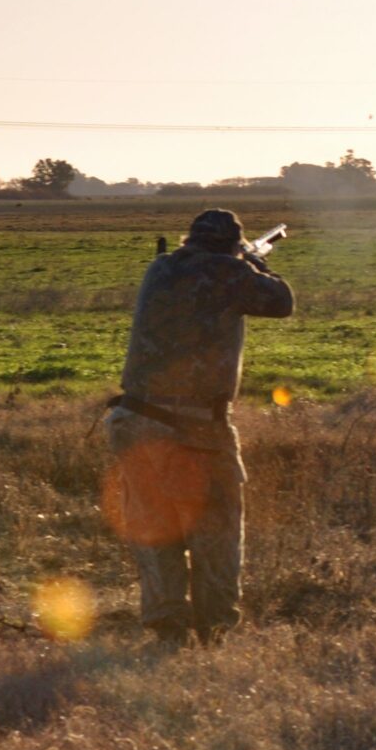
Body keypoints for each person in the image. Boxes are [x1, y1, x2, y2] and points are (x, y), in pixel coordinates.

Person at [105, 209, 294, 648]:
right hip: (196, 428)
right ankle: (213, 631)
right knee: (216, 533)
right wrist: (254, 263)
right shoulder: (231, 272)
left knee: (154, 530)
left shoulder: (161, 267)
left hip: (135, 420)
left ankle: (168, 629)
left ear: (189, 239)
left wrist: (238, 261)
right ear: (231, 245)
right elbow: (282, 302)